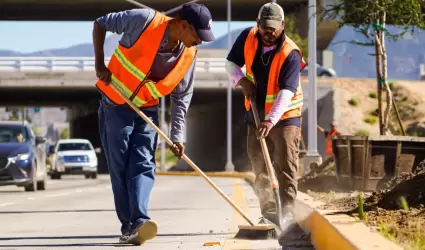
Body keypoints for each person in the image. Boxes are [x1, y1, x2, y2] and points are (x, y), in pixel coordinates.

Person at [92, 3, 215, 245]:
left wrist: (178, 134)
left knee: (144, 162)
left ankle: (139, 220)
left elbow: (182, 95)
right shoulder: (143, 20)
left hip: (146, 108)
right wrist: (99, 64)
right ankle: (128, 224)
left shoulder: (188, 54)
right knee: (120, 166)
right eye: (197, 36)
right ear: (182, 24)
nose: (199, 42)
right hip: (116, 104)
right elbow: (100, 23)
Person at [225, 2, 306, 228]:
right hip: (256, 113)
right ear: (258, 24)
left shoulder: (291, 53)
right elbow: (231, 63)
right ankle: (269, 214)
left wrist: (271, 120)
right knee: (260, 165)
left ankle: (288, 213)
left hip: (285, 114)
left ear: (282, 25)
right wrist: (241, 81)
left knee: (286, 164)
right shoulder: (248, 37)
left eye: (274, 27)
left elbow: (287, 91)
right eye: (265, 27)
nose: (269, 32)